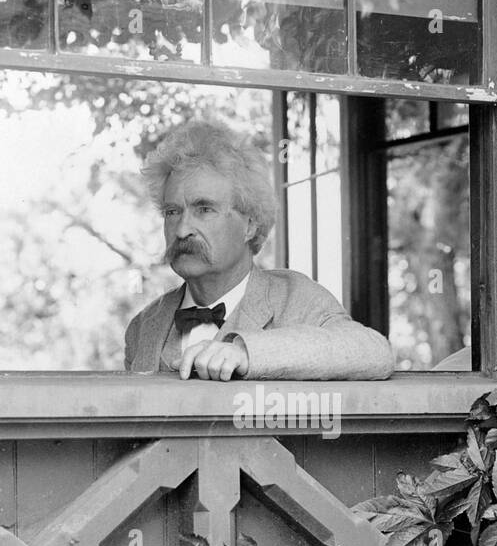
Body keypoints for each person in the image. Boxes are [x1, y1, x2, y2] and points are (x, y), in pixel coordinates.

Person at [123, 119, 394, 381]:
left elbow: (373, 351)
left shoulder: (296, 298)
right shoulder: (143, 326)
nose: (182, 230)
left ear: (250, 225)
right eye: (172, 212)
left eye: (204, 209)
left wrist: (246, 352)